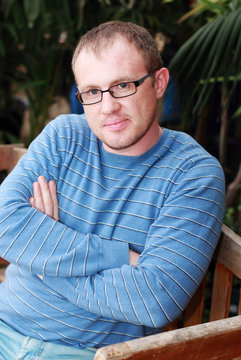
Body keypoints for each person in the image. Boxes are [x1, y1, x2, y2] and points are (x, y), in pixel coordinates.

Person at [0, 21, 225, 360]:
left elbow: (155, 299)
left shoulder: (192, 174)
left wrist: (42, 259)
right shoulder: (64, 136)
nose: (107, 107)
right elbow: (4, 222)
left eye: (123, 85)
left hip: (88, 354)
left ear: (159, 82)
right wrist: (118, 256)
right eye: (92, 91)